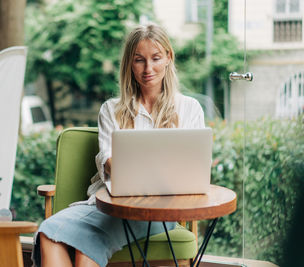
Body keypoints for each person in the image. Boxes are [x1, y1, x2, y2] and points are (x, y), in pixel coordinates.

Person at [32, 23, 205, 267]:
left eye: (155, 58)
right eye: (139, 60)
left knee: (82, 246)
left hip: (158, 212)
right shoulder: (111, 110)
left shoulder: (189, 109)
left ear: (168, 58)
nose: (148, 68)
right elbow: (108, 160)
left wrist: (138, 173)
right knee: (48, 231)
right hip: (107, 206)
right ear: (129, 64)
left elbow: (193, 168)